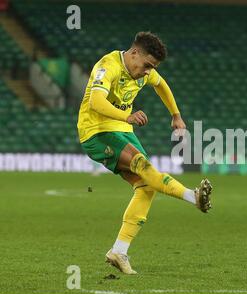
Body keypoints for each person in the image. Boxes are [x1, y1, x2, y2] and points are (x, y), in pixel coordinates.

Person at [77, 31, 212, 274]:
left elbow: (161, 85)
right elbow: (95, 102)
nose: (149, 71)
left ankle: (119, 251)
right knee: (145, 168)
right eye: (148, 65)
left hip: (122, 131)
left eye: (153, 67)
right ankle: (193, 197)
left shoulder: (144, 72)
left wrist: (176, 115)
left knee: (146, 187)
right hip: (97, 131)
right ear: (134, 53)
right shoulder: (108, 66)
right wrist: (126, 115)